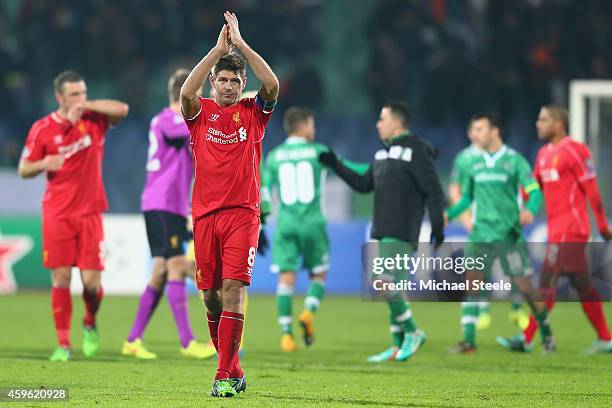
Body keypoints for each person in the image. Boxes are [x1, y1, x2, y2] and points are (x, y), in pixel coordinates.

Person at [180, 11, 279, 397]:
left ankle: (222, 376)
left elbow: (270, 83)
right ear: (213, 81)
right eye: (222, 79)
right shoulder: (200, 113)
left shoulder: (254, 114)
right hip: (204, 216)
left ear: (242, 85)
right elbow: (185, 93)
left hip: (243, 214)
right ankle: (234, 368)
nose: (227, 86)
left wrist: (242, 45)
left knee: (234, 289)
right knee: (209, 296)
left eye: (235, 81)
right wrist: (217, 50)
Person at [319, 101, 445, 362]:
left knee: (381, 280)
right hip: (383, 229)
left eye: (382, 118)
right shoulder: (381, 155)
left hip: (402, 230)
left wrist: (437, 225)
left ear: (397, 123)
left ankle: (413, 332)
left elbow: (433, 189)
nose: (377, 124)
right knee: (392, 287)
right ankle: (398, 345)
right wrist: (336, 165)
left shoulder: (416, 151)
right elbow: (364, 184)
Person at [18, 70, 129, 362]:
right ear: (59, 97)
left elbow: (122, 109)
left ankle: (90, 321)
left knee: (92, 284)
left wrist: (88, 106)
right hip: (57, 213)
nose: (80, 98)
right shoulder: (42, 128)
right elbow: (23, 169)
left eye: (83, 92)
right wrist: (44, 162)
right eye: (74, 94)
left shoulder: (94, 120)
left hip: (90, 213)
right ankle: (64, 344)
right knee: (61, 278)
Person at [498, 105, 612, 354]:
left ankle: (527, 338)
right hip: (556, 229)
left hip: (572, 229)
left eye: (543, 119)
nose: (538, 124)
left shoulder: (576, 151)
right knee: (581, 283)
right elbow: (532, 187)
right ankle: (605, 337)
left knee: (546, 280)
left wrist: (602, 225)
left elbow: (592, 191)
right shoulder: (543, 154)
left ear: (559, 124)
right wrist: (514, 203)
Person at [121, 69, 216, 360]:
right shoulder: (168, 120)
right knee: (177, 265)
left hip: (168, 205)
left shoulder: (176, 121)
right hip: (162, 203)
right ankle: (188, 342)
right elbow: (187, 128)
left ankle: (133, 340)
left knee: (161, 271)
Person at [446, 112, 554, 354]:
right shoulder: (473, 163)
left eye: (481, 129)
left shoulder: (514, 160)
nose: (477, 134)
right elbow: (466, 198)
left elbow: (534, 190)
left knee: (524, 286)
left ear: (495, 131)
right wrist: (449, 214)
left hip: (508, 235)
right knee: (472, 285)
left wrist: (530, 210)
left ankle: (547, 333)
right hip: (480, 233)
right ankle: (469, 342)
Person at [449, 120, 529, 331]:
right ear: (468, 133)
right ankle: (481, 312)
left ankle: (518, 307)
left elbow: (524, 188)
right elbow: (458, 190)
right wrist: (463, 216)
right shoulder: (465, 159)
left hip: (507, 221)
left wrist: (524, 210)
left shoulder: (510, 158)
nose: (476, 134)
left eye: (480, 129)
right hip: (480, 221)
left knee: (516, 271)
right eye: (473, 130)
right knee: (475, 271)